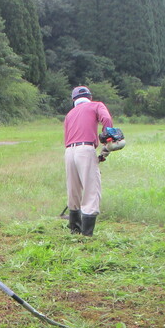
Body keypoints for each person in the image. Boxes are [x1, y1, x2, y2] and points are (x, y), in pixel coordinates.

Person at [63, 85, 114, 236]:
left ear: (74, 100)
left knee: (73, 189)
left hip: (69, 151)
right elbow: (107, 119)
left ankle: (74, 229)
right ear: (89, 97)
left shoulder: (69, 114)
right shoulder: (96, 105)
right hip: (85, 149)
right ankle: (87, 234)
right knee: (91, 190)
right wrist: (107, 138)